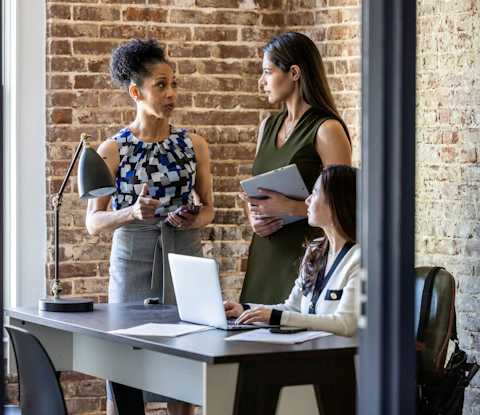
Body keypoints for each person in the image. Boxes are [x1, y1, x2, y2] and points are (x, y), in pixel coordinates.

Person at [86, 39, 213, 415]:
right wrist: (131, 212)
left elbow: (210, 211)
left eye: (174, 83)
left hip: (185, 259)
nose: (172, 93)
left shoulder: (195, 145)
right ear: (135, 92)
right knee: (122, 368)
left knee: (184, 367)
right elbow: (93, 222)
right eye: (161, 85)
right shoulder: (112, 149)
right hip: (131, 262)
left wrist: (194, 216)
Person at [239, 31, 354, 305]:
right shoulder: (268, 126)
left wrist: (289, 208)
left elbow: (344, 206)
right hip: (264, 253)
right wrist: (254, 217)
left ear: (294, 72)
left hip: (306, 254)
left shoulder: (327, 129)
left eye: (268, 72)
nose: (261, 81)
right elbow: (257, 192)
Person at [226, 165, 360, 337]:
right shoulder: (315, 250)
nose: (307, 200)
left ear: (335, 203)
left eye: (315, 192)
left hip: (342, 359)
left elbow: (344, 324)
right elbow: (291, 309)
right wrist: (242, 309)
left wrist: (276, 318)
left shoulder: (362, 259)